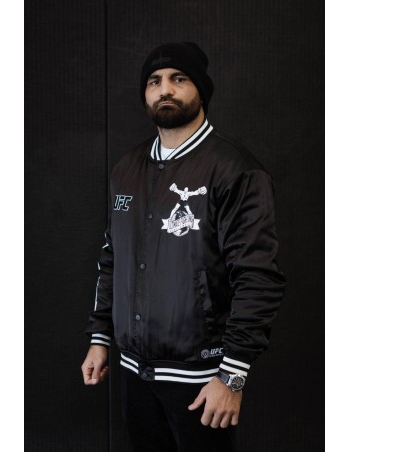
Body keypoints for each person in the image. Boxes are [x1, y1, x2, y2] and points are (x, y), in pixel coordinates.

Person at [81, 42, 286, 452]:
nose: (165, 89)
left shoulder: (235, 170)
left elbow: (258, 278)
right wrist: (100, 337)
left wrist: (232, 375)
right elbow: (112, 259)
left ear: (201, 90)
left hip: (203, 379)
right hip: (134, 373)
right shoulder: (126, 169)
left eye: (179, 78)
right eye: (154, 81)